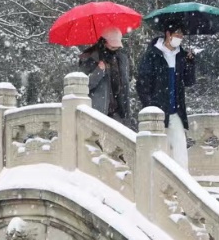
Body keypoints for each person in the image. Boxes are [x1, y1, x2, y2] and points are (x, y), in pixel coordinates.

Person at [136, 21, 196, 169]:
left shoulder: (181, 55)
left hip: (176, 111)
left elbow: (189, 81)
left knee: (180, 149)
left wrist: (190, 63)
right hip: (157, 111)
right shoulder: (152, 55)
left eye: (181, 35)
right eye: (177, 34)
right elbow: (142, 84)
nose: (179, 38)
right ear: (168, 34)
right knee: (157, 150)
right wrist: (149, 106)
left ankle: (182, 179)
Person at [79, 26, 133, 126]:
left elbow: (125, 87)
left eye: (117, 47)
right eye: (112, 46)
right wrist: (99, 71)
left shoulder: (122, 59)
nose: (115, 49)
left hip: (118, 112)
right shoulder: (90, 58)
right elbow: (84, 86)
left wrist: (127, 115)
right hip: (98, 112)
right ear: (104, 42)